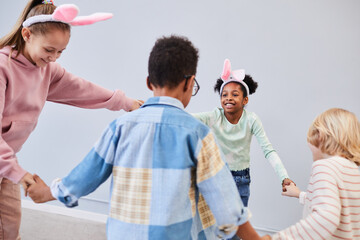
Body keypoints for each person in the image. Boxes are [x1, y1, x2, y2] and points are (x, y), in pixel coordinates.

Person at [27, 35, 262, 240]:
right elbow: (226, 202)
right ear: (190, 83)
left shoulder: (120, 127)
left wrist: (47, 192)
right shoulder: (198, 134)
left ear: (149, 82)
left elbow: (84, 176)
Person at [0, 0, 142, 238]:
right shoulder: (3, 67)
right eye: (49, 50)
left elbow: (82, 90)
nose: (54, 58)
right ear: (27, 34)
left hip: (6, 163)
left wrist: (125, 103)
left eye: (60, 52)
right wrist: (18, 172)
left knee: (10, 225)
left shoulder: (47, 70)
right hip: (7, 162)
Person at [193, 59, 294, 208]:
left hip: (241, 180)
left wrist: (284, 176)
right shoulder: (215, 116)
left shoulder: (251, 120)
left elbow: (268, 150)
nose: (228, 98)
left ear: (245, 99)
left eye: (235, 94)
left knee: (237, 226)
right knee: (214, 226)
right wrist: (150, 107)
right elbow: (186, 117)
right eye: (224, 95)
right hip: (216, 176)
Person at [262, 108, 360, 239]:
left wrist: (278, 238)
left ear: (320, 136)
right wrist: (299, 194)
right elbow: (335, 203)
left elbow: (326, 217)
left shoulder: (324, 166)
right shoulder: (352, 170)